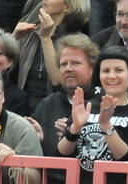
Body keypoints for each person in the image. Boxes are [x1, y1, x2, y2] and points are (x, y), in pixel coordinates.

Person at [57, 46, 128, 181]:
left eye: (119, 70)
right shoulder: (85, 106)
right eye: (105, 71)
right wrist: (75, 128)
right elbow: (62, 152)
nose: (111, 76)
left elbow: (126, 157)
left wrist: (106, 125)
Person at [14, 0, 90, 110]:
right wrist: (13, 38)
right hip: (24, 107)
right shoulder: (30, 32)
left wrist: (46, 38)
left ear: (67, 6)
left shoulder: (78, 43)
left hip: (58, 111)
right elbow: (4, 69)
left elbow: (57, 81)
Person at [31, 33, 98, 179]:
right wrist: (38, 139)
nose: (68, 69)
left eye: (75, 63)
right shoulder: (47, 104)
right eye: (63, 64)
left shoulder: (102, 103)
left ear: (92, 68)